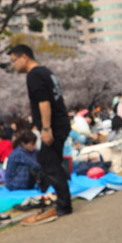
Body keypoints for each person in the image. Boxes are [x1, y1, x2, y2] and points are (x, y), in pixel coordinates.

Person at [9, 44, 73, 225]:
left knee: (48, 161)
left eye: (14, 60)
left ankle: (63, 205)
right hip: (60, 123)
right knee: (50, 161)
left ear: (24, 57)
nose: (13, 65)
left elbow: (43, 102)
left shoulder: (34, 75)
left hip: (54, 126)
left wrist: (45, 129)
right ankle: (62, 202)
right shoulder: (45, 72)